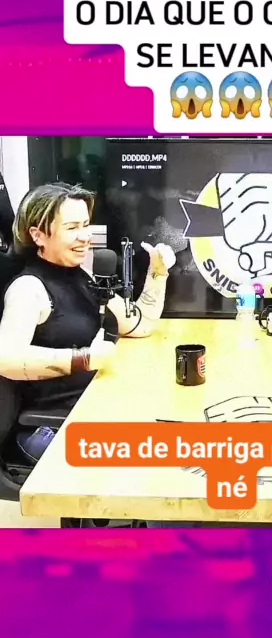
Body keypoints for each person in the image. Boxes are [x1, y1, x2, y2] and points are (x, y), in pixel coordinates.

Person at [0, 181, 171, 463]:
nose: (85, 236)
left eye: (86, 225)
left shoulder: (83, 277)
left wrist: (158, 273)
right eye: (72, 228)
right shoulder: (28, 289)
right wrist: (85, 358)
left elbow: (140, 324)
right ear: (38, 235)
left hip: (91, 409)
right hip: (49, 426)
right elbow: (6, 358)